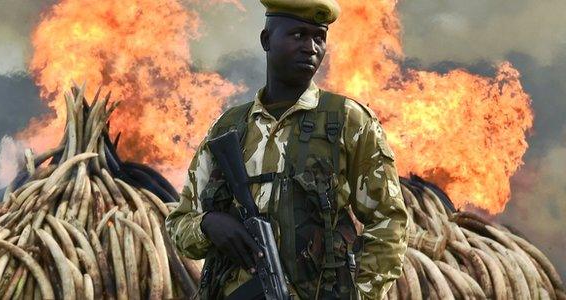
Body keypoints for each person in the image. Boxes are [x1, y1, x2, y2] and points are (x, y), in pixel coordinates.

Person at [165, 0, 410, 298]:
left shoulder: (347, 121)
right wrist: (208, 225)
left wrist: (361, 294)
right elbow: (180, 222)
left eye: (319, 37)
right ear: (266, 40)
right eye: (298, 35)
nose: (311, 47)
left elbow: (389, 222)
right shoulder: (228, 127)